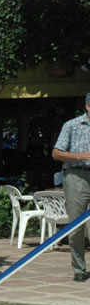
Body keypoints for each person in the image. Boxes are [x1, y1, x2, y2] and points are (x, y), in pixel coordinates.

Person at [52, 93, 90, 282]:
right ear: (88, 106)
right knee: (76, 224)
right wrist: (80, 156)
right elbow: (56, 153)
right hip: (77, 176)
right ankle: (79, 268)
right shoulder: (72, 125)